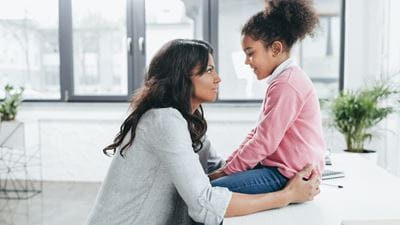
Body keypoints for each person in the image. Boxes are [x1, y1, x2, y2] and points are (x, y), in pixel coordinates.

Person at [85, 39, 320, 225]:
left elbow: (217, 169)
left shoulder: (187, 122)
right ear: (182, 77)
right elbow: (204, 204)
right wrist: (287, 195)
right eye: (209, 71)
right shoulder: (163, 120)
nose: (218, 78)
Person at [209, 0, 326, 195]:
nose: (247, 62)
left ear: (276, 49)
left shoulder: (287, 84)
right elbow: (258, 133)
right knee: (213, 181)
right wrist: (229, 164)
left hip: (288, 174)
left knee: (210, 192)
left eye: (250, 53)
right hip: (278, 168)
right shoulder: (282, 80)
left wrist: (225, 172)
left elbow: (264, 142)